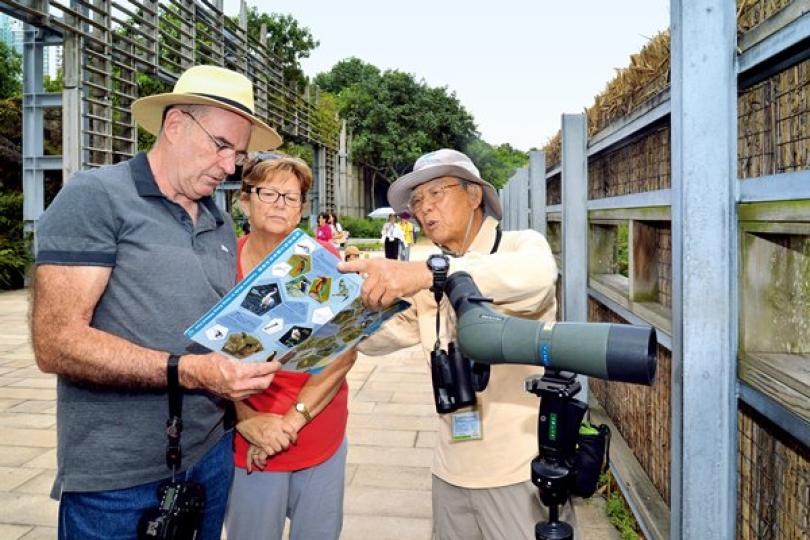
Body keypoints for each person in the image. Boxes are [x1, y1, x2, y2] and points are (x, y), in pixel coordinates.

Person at [30, 65, 283, 540]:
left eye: (240, 155)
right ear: (175, 125)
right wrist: (189, 371)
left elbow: (217, 327)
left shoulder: (218, 219)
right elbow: (55, 343)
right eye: (221, 145)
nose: (230, 167)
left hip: (209, 458)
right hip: (117, 478)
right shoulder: (96, 196)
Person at [339, 148, 573, 540]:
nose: (425, 208)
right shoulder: (431, 273)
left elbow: (537, 277)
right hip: (449, 470)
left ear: (475, 195)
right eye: (417, 201)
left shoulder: (519, 246)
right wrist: (341, 310)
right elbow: (380, 337)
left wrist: (428, 273)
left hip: (517, 472)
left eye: (436, 193)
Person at [225, 154, 357, 540]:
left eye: (292, 196)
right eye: (268, 193)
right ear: (244, 200)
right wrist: (248, 420)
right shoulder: (220, 263)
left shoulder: (326, 262)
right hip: (245, 432)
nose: (280, 203)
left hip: (316, 427)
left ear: (302, 209)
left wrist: (289, 423)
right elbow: (204, 356)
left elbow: (344, 354)